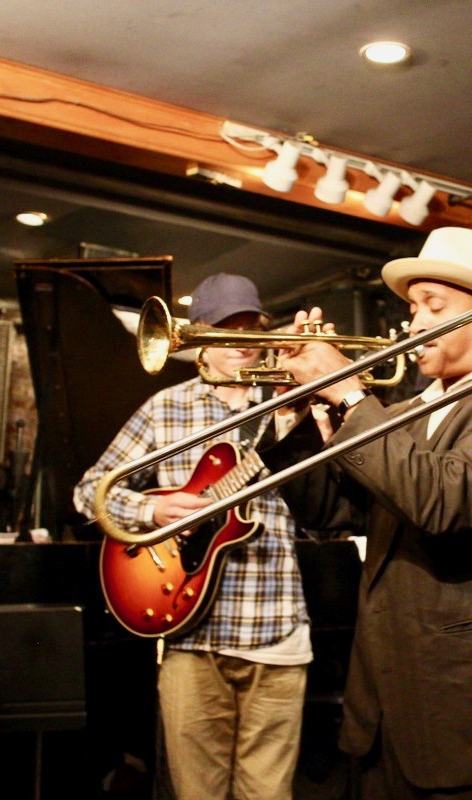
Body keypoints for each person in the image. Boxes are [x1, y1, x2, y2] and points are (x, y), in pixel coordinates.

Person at [264, 227, 472, 799]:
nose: (414, 324)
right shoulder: (401, 413)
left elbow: (444, 502)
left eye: (434, 306)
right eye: (412, 309)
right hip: (384, 717)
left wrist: (350, 393)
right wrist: (294, 411)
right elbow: (331, 510)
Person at [73, 273, 310, 800]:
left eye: (250, 330)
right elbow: (89, 491)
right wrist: (152, 510)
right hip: (190, 634)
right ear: (199, 334)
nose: (240, 344)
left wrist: (310, 391)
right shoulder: (166, 408)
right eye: (225, 330)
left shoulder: (288, 402)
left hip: (277, 630)